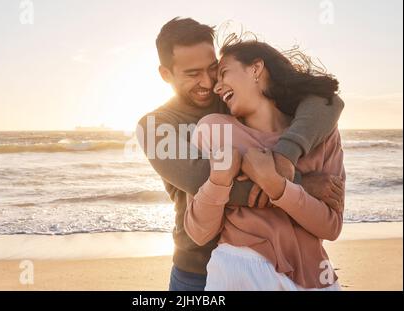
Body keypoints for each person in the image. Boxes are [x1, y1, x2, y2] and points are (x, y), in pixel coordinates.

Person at [137, 17, 345, 291]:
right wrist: (298, 185)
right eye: (192, 73)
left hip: (281, 262)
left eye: (213, 69)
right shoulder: (156, 126)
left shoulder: (235, 98)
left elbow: (326, 103)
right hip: (197, 268)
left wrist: (284, 157)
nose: (209, 82)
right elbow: (202, 179)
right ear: (166, 74)